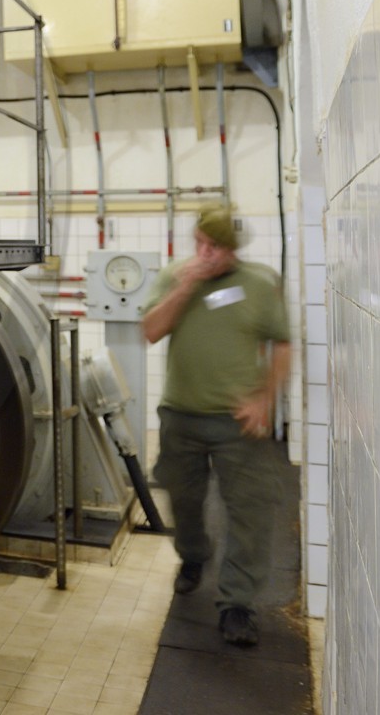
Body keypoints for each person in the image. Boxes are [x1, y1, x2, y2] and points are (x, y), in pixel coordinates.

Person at [140, 205, 291, 647]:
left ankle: (237, 604)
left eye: (217, 247)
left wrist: (265, 398)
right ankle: (192, 555)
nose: (207, 254)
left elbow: (281, 344)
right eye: (201, 244)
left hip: (236, 424)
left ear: (233, 250)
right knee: (184, 499)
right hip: (180, 416)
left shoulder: (260, 284)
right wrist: (187, 285)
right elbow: (150, 331)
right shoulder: (174, 276)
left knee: (249, 510)